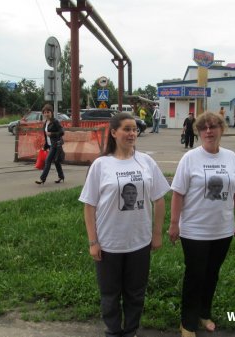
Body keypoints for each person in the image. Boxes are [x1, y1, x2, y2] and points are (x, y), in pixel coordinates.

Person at [79, 112, 170, 337]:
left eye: (134, 129)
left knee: (135, 293)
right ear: (113, 133)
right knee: (110, 294)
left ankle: (131, 331)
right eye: (126, 129)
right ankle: (113, 331)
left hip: (139, 242)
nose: (132, 133)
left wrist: (156, 234)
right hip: (109, 243)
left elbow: (159, 199)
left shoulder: (146, 162)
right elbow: (89, 206)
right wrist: (93, 241)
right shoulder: (101, 165)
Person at [168, 111, 235, 337]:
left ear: (222, 129)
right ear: (198, 131)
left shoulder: (230, 157)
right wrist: (174, 224)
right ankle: (188, 322)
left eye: (213, 127)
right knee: (195, 275)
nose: (208, 131)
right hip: (194, 231)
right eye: (203, 128)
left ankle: (204, 313)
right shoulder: (190, 159)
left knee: (212, 274)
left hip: (222, 230)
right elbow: (177, 194)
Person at [35, 104, 65, 185]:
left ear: (51, 112)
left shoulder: (55, 122)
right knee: (56, 161)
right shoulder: (45, 123)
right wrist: (45, 146)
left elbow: (62, 132)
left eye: (48, 112)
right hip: (50, 144)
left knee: (47, 161)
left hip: (56, 144)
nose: (46, 114)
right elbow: (46, 136)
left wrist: (52, 134)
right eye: (44, 112)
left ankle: (42, 179)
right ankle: (61, 176)